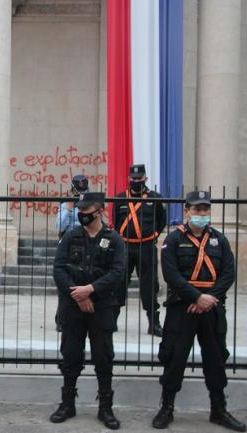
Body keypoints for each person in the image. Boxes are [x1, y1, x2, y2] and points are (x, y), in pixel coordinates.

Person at [152, 191, 246, 431]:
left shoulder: (219, 240)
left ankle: (219, 409)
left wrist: (209, 298)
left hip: (211, 308)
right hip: (182, 308)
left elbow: (228, 273)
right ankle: (167, 408)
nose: (201, 214)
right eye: (197, 209)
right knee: (174, 358)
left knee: (215, 360)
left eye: (205, 210)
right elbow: (170, 274)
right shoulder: (173, 240)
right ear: (186, 211)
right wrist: (196, 297)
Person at [51, 192, 125, 430]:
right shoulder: (71, 236)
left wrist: (91, 290)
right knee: (71, 356)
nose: (82, 217)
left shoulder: (114, 239)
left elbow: (118, 272)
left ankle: (105, 407)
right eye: (80, 213)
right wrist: (78, 294)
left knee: (103, 358)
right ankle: (67, 403)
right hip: (74, 307)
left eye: (87, 213)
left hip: (102, 307)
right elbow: (59, 269)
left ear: (100, 212)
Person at [112, 164, 166, 336]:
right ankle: (112, 320)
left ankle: (154, 323)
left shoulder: (155, 198)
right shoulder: (120, 198)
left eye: (139, 179)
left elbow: (161, 220)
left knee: (149, 285)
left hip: (146, 246)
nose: (136, 181)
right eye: (133, 179)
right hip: (125, 246)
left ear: (145, 179)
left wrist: (154, 234)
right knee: (119, 283)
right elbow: (115, 221)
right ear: (129, 179)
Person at [56, 174, 89, 238]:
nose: (81, 195)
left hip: (87, 238)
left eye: (83, 192)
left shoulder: (91, 204)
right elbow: (60, 228)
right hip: (70, 238)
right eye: (78, 193)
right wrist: (68, 210)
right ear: (72, 191)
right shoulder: (65, 205)